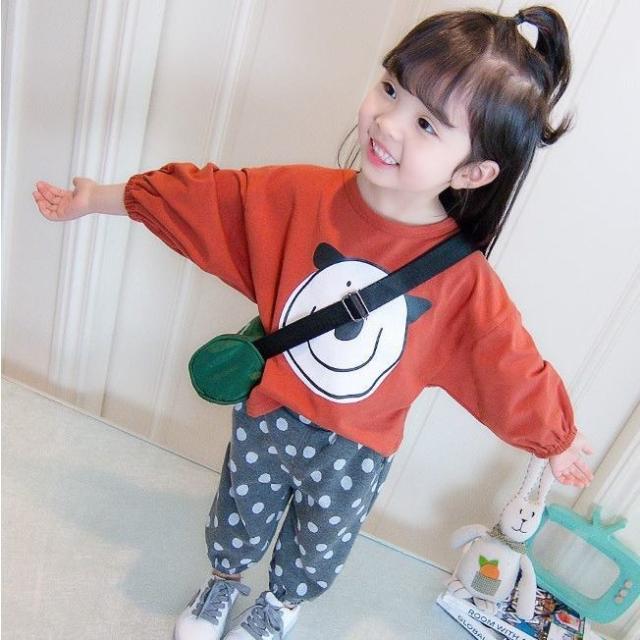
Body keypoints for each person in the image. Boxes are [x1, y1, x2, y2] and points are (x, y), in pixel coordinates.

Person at [33, 6, 595, 640]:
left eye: (426, 123)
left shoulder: (464, 282)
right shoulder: (297, 196)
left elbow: (507, 364)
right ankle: (223, 581)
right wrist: (100, 198)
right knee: (239, 509)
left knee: (319, 542)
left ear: (473, 172)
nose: (387, 122)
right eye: (391, 88)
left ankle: (279, 605)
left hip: (356, 449)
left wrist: (556, 437)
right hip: (269, 411)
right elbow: (203, 200)